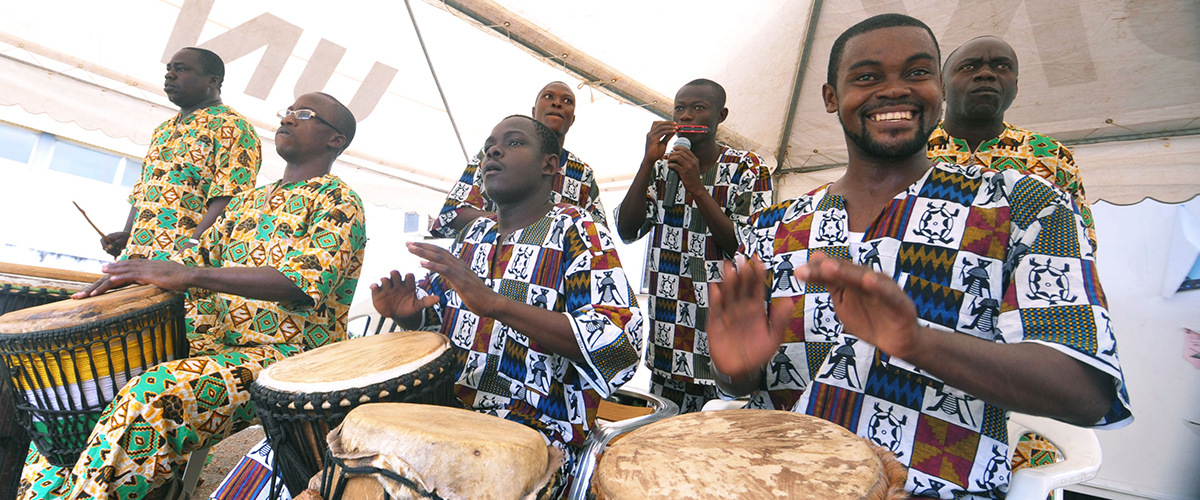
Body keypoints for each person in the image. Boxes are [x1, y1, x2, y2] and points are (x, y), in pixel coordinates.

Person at [706, 14, 1131, 500]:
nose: (893, 90)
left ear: (939, 88)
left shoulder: (1023, 205)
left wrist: (917, 342)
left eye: (916, 72)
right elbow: (742, 386)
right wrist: (736, 371)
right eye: (866, 76)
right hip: (779, 483)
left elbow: (1085, 391)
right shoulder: (774, 226)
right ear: (830, 97)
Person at [20, 93, 367, 500]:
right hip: (209, 347)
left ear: (335, 140)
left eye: (304, 115)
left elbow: (301, 284)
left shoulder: (338, 202)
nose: (288, 118)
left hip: (284, 362)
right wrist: (133, 278)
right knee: (82, 397)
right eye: (286, 112)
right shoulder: (246, 203)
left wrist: (188, 274)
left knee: (153, 393)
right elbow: (186, 258)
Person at [372, 115, 640, 471]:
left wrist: (496, 304)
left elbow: (618, 343)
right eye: (488, 147)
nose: (493, 151)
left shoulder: (576, 229)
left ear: (550, 165)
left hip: (537, 436)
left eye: (513, 142)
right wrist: (411, 314)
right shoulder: (474, 234)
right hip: (448, 416)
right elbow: (443, 315)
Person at [614, 79, 772, 413]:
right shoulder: (661, 168)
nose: (686, 116)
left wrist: (698, 188)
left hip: (721, 338)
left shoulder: (748, 168)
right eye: (679, 108)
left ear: (721, 115)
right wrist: (646, 163)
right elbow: (627, 231)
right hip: (668, 336)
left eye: (698, 108)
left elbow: (747, 246)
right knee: (667, 441)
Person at [928, 36, 1095, 250]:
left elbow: (1080, 243)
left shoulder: (1050, 155)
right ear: (942, 86)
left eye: (1002, 66)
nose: (986, 74)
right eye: (969, 66)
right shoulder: (915, 148)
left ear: (1015, 88)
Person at [102, 48, 261, 261]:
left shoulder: (233, 127)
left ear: (212, 81)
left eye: (182, 69)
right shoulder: (163, 130)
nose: (169, 75)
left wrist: (191, 247)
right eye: (169, 69)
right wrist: (127, 234)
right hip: (137, 258)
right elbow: (143, 190)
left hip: (186, 265)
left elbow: (232, 197)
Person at [429, 82, 607, 238]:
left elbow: (599, 231)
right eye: (548, 96)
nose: (557, 103)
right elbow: (451, 215)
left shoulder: (582, 173)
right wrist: (517, 222)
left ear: (572, 119)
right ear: (533, 112)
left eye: (567, 101)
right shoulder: (490, 155)